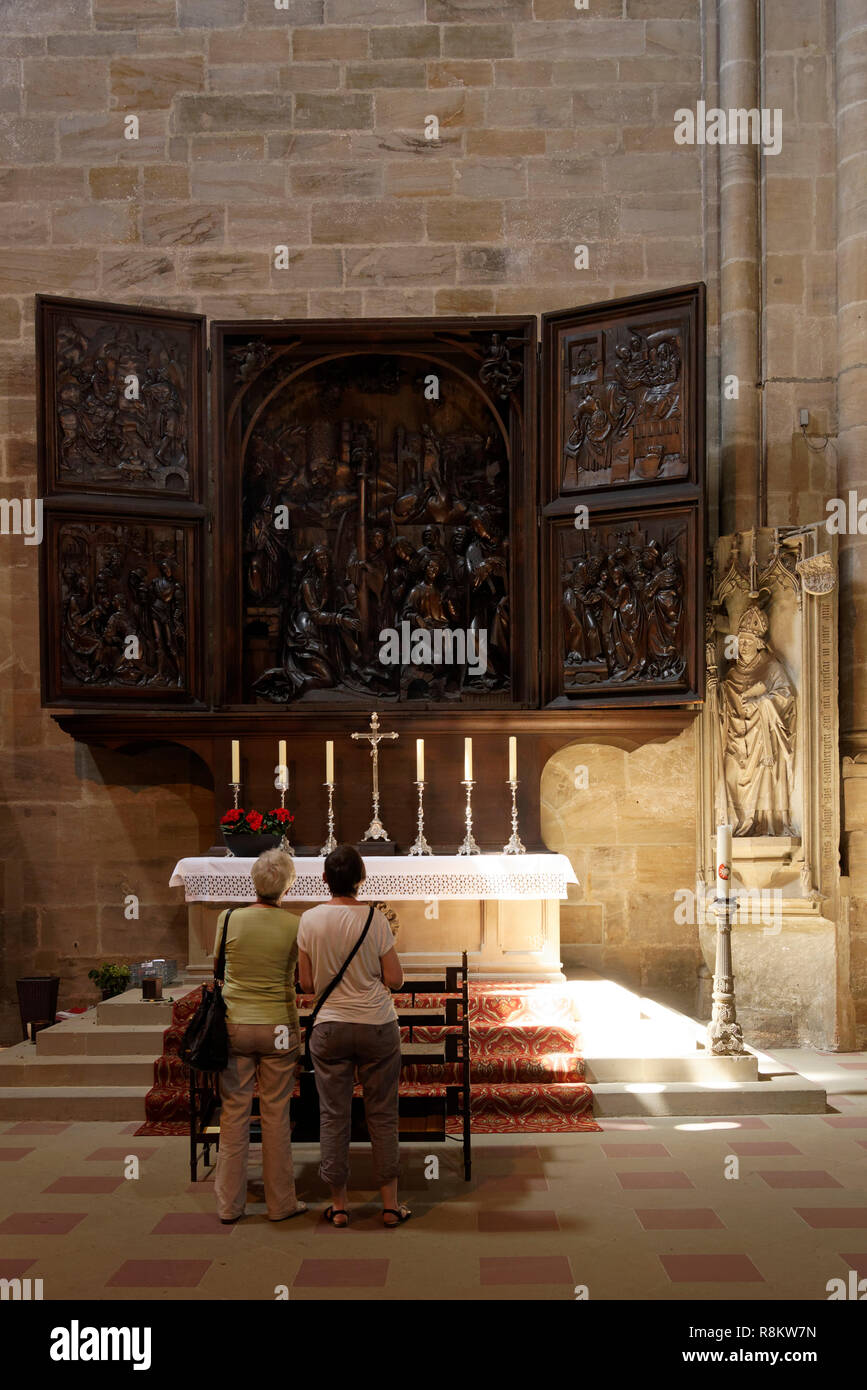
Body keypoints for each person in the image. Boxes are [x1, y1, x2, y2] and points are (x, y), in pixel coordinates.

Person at [297, 844, 409, 1228]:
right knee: (382, 1115)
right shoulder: (376, 919)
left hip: (329, 1026)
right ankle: (391, 1205)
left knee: (333, 1117)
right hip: (377, 1025)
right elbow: (395, 979)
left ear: (324, 879)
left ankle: (339, 1205)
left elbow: (307, 983)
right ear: (362, 880)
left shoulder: (309, 920)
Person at [213, 850, 306, 1225]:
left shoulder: (229, 917)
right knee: (276, 1114)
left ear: (253, 881)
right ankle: (280, 1203)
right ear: (288, 885)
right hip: (279, 1026)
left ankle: (228, 1205)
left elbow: (218, 969)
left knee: (233, 1114)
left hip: (235, 1023)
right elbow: (299, 975)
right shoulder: (295, 925)